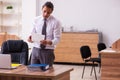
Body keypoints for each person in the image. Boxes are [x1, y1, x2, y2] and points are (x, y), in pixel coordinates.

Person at [27, 1, 61, 68]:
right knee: (33, 72)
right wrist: (30, 38)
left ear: (51, 12)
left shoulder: (56, 22)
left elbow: (57, 39)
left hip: (47, 51)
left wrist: (49, 42)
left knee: (46, 73)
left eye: (48, 12)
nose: (45, 14)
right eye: (44, 11)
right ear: (42, 9)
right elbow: (32, 33)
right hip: (35, 49)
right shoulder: (36, 20)